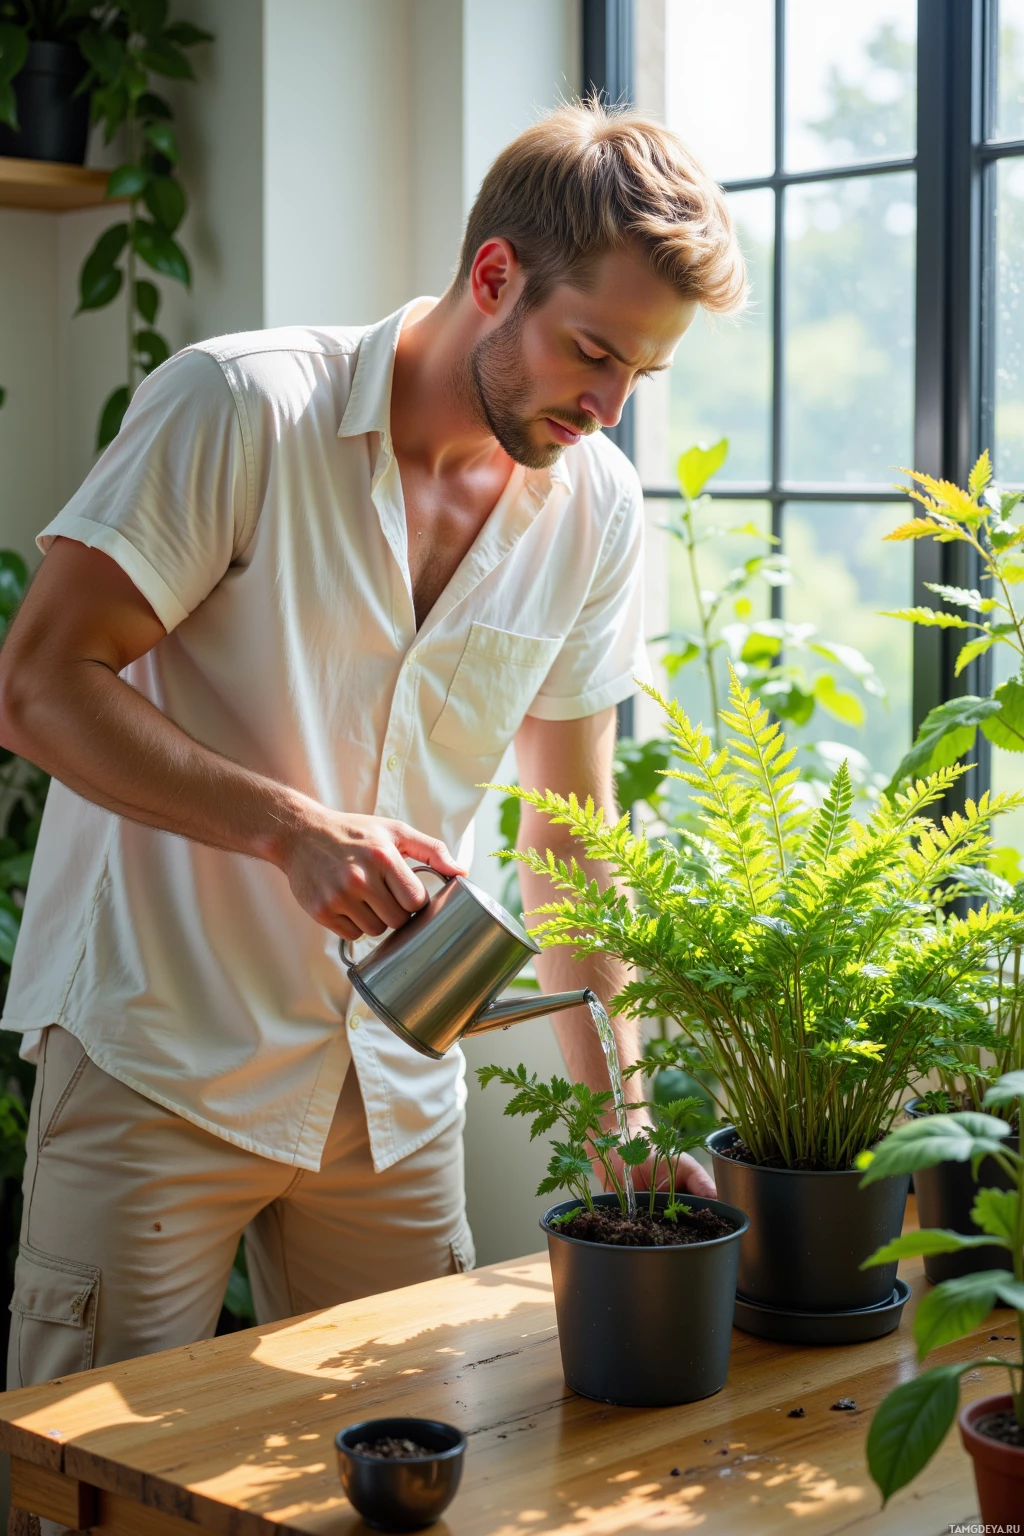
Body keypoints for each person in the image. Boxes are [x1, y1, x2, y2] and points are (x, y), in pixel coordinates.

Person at [0, 100, 745, 1407]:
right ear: (495, 275)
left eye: (642, 374)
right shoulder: (240, 407)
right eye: (591, 352)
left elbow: (568, 838)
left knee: (411, 1470)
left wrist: (624, 1125)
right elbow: (39, 689)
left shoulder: (597, 514)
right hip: (155, 1054)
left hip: (397, 1082)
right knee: (99, 1479)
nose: (611, 408)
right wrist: (290, 829)